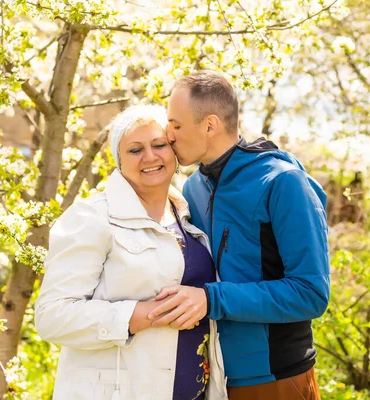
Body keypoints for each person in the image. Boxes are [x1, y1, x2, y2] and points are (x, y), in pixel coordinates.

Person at [149, 71, 330, 399]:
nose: (168, 135)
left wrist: (211, 299)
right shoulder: (193, 188)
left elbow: (311, 293)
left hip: (275, 378)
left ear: (210, 124)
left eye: (176, 124)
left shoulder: (283, 183)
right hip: (210, 377)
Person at [35, 104, 228, 400]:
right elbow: (52, 316)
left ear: (174, 153)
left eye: (159, 145)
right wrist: (147, 315)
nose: (150, 157)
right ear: (118, 162)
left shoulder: (189, 216)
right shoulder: (92, 218)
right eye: (135, 150)